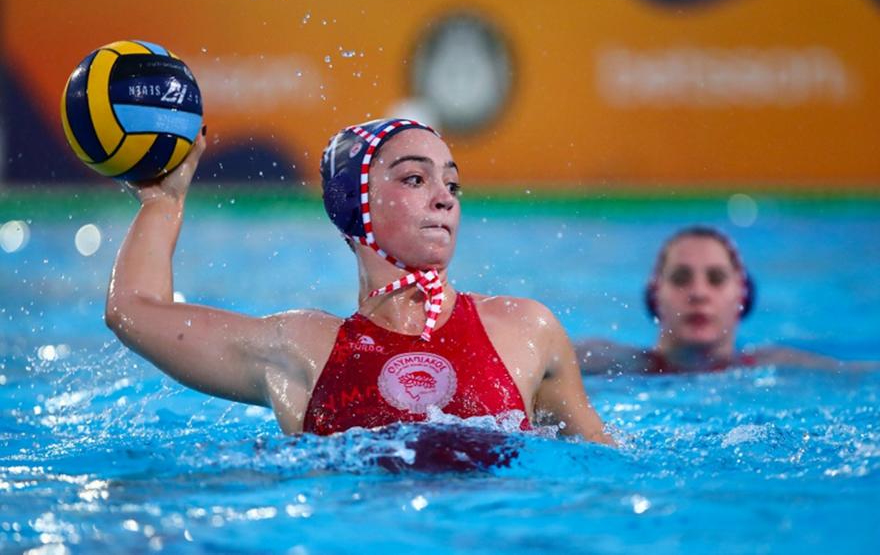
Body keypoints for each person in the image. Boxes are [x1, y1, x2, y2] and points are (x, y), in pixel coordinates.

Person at [105, 118, 614, 445]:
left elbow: (604, 472)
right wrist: (163, 202)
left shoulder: (525, 330)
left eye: (452, 183)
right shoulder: (301, 348)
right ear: (356, 204)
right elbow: (132, 310)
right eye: (415, 179)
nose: (444, 197)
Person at [577, 225, 868, 375]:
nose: (699, 293)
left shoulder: (780, 367)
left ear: (743, 295)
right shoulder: (606, 363)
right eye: (680, 278)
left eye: (716, 279)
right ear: (654, 295)